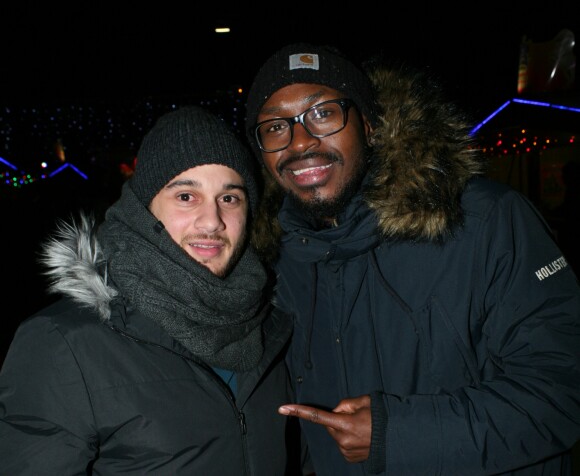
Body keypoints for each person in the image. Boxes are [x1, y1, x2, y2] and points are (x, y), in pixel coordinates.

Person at [244, 42, 580, 475]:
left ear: (368, 125)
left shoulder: (484, 221)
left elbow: (562, 388)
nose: (301, 142)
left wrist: (396, 433)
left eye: (323, 113)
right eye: (275, 128)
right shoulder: (275, 261)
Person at [0, 106, 310, 475]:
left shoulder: (271, 326)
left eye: (229, 198)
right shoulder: (65, 343)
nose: (212, 221)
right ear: (144, 209)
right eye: (185, 196)